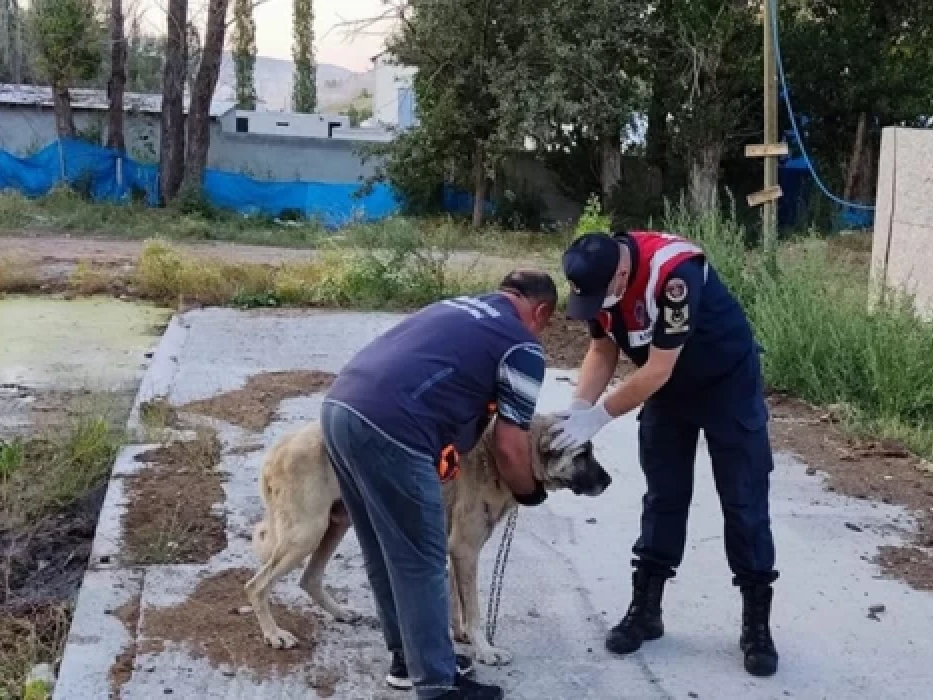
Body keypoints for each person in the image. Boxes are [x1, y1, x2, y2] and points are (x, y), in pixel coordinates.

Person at [320, 270, 558, 700]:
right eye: (546, 322)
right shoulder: (521, 345)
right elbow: (509, 446)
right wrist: (529, 490)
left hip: (339, 408)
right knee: (423, 561)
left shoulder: (454, 307)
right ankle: (438, 685)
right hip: (394, 428)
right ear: (540, 311)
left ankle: (408, 662)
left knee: (382, 551)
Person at [552, 230, 780, 677]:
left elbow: (657, 368)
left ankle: (756, 624)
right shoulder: (600, 277)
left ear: (621, 271)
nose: (599, 303)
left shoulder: (674, 275)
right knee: (663, 497)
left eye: (605, 293)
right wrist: (578, 408)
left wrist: (598, 418)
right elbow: (602, 349)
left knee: (744, 502)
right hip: (667, 393)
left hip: (725, 387)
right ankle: (646, 610)